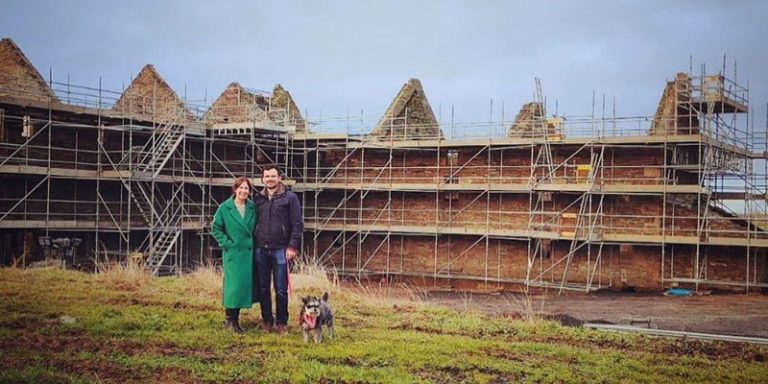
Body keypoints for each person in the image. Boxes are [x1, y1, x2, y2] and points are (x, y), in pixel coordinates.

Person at [254, 164, 304, 335]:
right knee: (263, 288)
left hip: (281, 250)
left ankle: (282, 323)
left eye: (273, 176)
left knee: (281, 289)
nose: (270, 179)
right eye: (267, 176)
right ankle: (267, 320)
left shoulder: (290, 198)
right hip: (260, 249)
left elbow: (297, 224)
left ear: (279, 178)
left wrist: (292, 246)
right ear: (263, 179)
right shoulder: (258, 198)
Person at [211, 176, 258, 334]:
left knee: (242, 287)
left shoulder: (252, 207)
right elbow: (216, 228)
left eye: (247, 189)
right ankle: (230, 321)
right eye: (241, 188)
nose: (244, 191)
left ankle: (236, 322)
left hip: (248, 253)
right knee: (233, 286)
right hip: (234, 253)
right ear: (235, 189)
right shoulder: (225, 207)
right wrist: (227, 244)